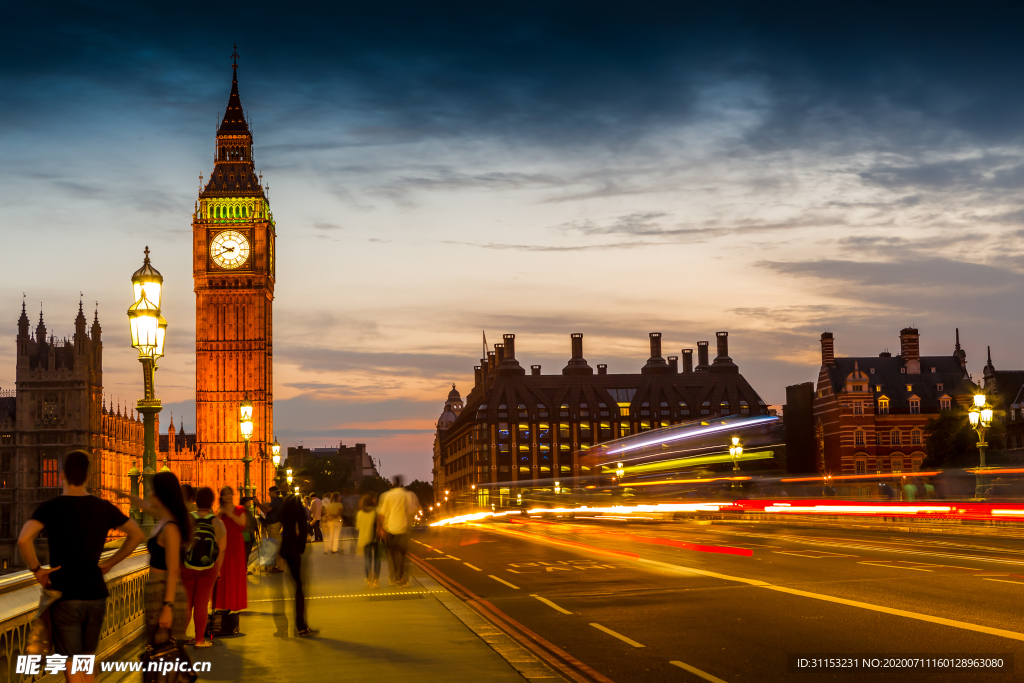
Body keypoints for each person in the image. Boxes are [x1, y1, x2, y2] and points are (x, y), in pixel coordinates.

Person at [18, 451, 145, 683]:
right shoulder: (103, 507)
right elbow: (136, 535)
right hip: (95, 593)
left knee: (72, 663)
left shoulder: (51, 507)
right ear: (88, 476)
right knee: (86, 660)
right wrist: (108, 564)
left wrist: (37, 570)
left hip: (65, 594)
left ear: (62, 475)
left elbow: (24, 539)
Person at [117, 471, 193, 645]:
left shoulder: (170, 528)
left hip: (164, 593)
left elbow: (173, 570)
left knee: (165, 652)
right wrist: (125, 495)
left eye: (152, 490)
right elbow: (145, 506)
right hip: (157, 591)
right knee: (159, 653)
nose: (149, 494)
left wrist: (167, 607)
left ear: (162, 495)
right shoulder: (165, 518)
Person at [182, 487, 226, 648]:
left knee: (186, 603)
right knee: (201, 604)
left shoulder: (187, 519)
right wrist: (217, 570)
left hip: (187, 567)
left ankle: (180, 636)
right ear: (211, 502)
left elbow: (180, 544)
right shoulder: (217, 522)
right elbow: (221, 550)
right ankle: (200, 639)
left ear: (196, 501)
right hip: (208, 568)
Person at [376, 475, 421, 587]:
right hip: (404, 528)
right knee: (402, 554)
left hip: (390, 528)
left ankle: (393, 578)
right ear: (401, 483)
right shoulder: (408, 495)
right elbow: (413, 510)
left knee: (391, 555)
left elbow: (381, 514)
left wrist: (380, 528)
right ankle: (402, 578)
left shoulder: (386, 495)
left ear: (392, 483)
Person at [280, 493, 313, 636]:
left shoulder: (284, 510)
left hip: (285, 548)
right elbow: (303, 527)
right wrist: (301, 547)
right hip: (294, 548)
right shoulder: (299, 510)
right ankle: (301, 625)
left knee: (295, 583)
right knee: (299, 586)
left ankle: (299, 624)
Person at [214, 487, 247, 613]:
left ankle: (234, 602)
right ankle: (222, 603)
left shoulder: (240, 509)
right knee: (222, 572)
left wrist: (229, 514)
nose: (228, 496)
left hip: (235, 543)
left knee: (234, 572)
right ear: (221, 497)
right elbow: (214, 525)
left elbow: (241, 523)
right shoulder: (219, 511)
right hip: (223, 542)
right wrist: (219, 513)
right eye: (225, 494)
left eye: (230, 494)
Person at [255, 487, 285, 573]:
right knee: (274, 546)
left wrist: (257, 503)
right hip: (275, 525)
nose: (269, 494)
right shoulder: (278, 501)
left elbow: (265, 510)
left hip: (274, 525)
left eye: (269, 492)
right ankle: (274, 566)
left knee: (276, 546)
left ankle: (279, 567)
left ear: (273, 492)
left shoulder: (276, 501)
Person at [356, 493, 381, 588]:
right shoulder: (376, 511)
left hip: (365, 539)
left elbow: (358, 527)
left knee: (367, 559)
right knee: (377, 559)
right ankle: (376, 579)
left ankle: (368, 579)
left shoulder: (360, 513)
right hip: (376, 538)